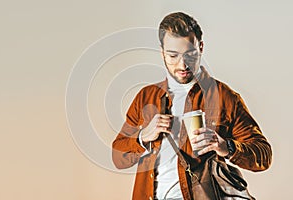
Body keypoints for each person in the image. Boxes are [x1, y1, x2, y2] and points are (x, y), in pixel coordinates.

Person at [112, 12, 272, 200]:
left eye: (190, 54)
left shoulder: (225, 97)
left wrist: (225, 146)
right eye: (173, 55)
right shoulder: (146, 97)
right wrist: (142, 137)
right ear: (162, 52)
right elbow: (118, 157)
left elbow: (264, 155)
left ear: (200, 47)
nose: (183, 64)